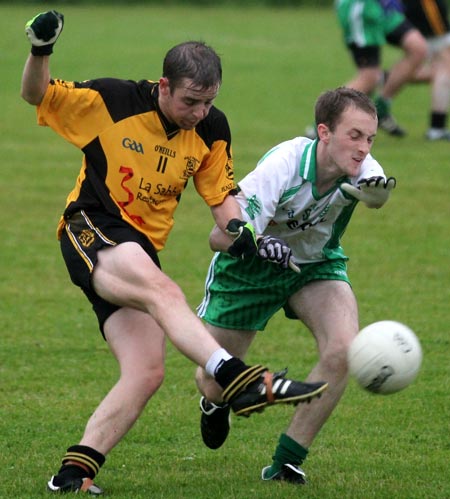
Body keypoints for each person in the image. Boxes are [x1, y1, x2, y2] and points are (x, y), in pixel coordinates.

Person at [20, 11, 328, 495]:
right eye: (191, 101)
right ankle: (237, 379)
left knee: (147, 370)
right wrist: (41, 50)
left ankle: (73, 473)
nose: (200, 112)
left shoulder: (211, 129)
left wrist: (246, 232)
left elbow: (221, 200)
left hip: (139, 248)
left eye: (209, 102)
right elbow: (36, 95)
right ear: (164, 86)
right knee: (164, 291)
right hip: (92, 227)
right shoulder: (113, 100)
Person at [195, 87, 396, 484]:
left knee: (342, 349)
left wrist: (375, 195)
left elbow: (375, 193)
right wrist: (258, 245)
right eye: (354, 135)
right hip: (248, 270)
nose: (362, 148)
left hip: (314, 265)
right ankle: (212, 404)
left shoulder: (363, 166)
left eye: (370, 138)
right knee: (215, 382)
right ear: (324, 132)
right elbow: (217, 238)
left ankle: (287, 462)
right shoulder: (282, 166)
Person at [334, 0, 428, 136]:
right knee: (369, 77)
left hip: (382, 7)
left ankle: (382, 107)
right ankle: (325, 121)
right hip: (360, 8)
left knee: (418, 48)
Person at [402, 0, 450, 140]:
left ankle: (388, 79)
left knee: (441, 69)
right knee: (445, 64)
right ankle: (436, 128)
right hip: (426, 7)